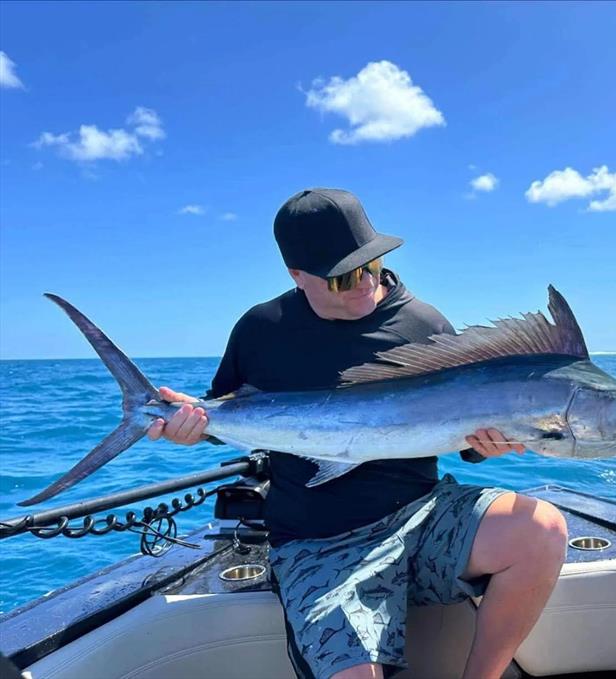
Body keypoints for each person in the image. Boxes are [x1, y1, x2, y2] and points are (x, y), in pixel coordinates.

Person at [147, 188, 568, 679]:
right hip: (317, 540)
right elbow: (225, 417)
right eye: (344, 275)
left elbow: (460, 431)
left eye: (371, 263)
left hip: (421, 516)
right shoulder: (262, 328)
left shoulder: (424, 323)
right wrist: (190, 429)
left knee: (541, 530)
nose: (365, 282)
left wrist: (485, 449)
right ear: (297, 276)